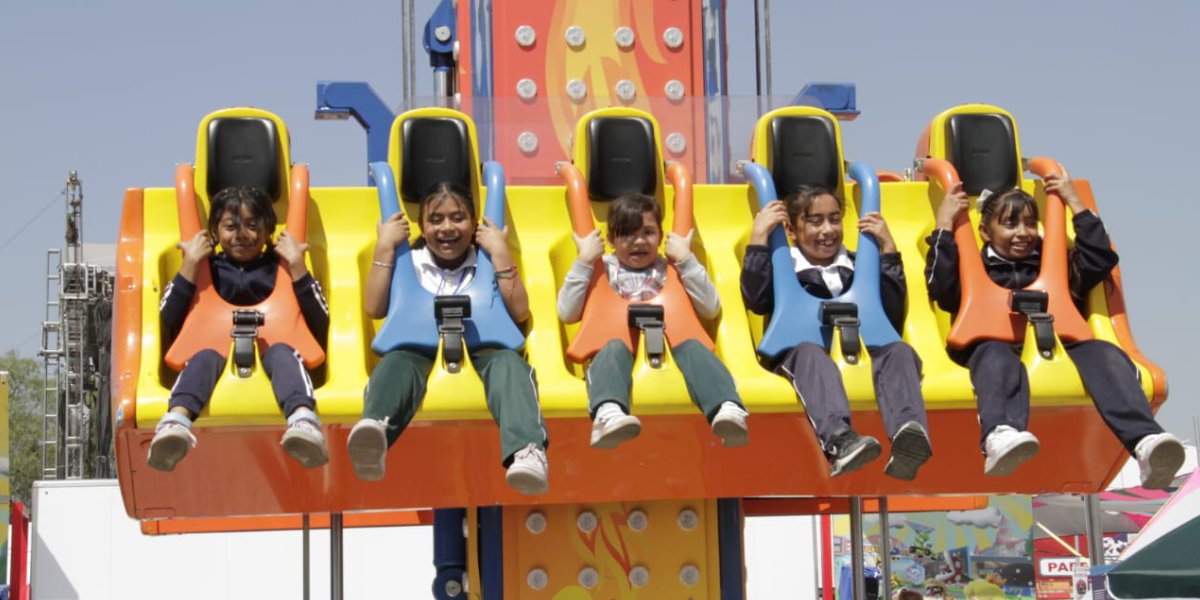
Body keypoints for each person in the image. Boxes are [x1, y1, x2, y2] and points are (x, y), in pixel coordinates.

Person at [925, 172, 1185, 487]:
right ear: (985, 231)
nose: (1023, 233)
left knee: (1105, 355)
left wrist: (1074, 201)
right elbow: (941, 288)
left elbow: (1100, 259)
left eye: (1030, 224)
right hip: (992, 342)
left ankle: (1145, 441)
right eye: (1010, 225)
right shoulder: (972, 267)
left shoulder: (1056, 264)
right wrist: (944, 225)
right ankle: (1000, 434)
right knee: (995, 359)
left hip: (1059, 340)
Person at [348, 182, 549, 495]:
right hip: (417, 348)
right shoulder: (409, 262)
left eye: (458, 218)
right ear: (421, 226)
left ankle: (527, 450)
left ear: (474, 223)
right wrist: (385, 247)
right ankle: (375, 430)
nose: (447, 228)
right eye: (436, 220)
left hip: (483, 346)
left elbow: (520, 311)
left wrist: (499, 252)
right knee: (396, 364)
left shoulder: (485, 261)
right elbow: (374, 308)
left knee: (511, 366)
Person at [741, 185, 933, 479]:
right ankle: (840, 440)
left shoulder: (858, 266)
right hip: (804, 356)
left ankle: (909, 434)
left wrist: (888, 251)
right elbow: (756, 299)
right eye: (815, 221)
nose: (828, 230)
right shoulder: (783, 266)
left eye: (834, 219)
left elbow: (891, 313)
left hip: (859, 349)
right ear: (791, 229)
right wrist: (758, 240)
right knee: (810, 354)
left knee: (900, 352)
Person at [149, 186, 330, 471]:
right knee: (202, 358)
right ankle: (176, 424)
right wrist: (191, 263)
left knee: (283, 354)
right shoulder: (207, 270)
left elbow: (321, 320)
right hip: (214, 357)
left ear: (268, 231)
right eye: (231, 227)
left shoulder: (280, 269)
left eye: (252, 226)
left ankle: (303, 421)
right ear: (215, 232)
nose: (241, 235)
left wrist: (297, 265)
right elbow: (167, 316)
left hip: (274, 356)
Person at [558, 193, 750, 449]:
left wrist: (686, 259)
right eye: (627, 234)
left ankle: (726, 408)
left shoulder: (672, 268)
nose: (639, 241)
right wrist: (583, 261)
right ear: (611, 239)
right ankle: (608, 412)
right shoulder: (602, 269)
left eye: (648, 232)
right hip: (617, 358)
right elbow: (567, 313)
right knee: (612, 349)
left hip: (672, 356)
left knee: (694, 348)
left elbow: (710, 308)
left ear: (661, 237)